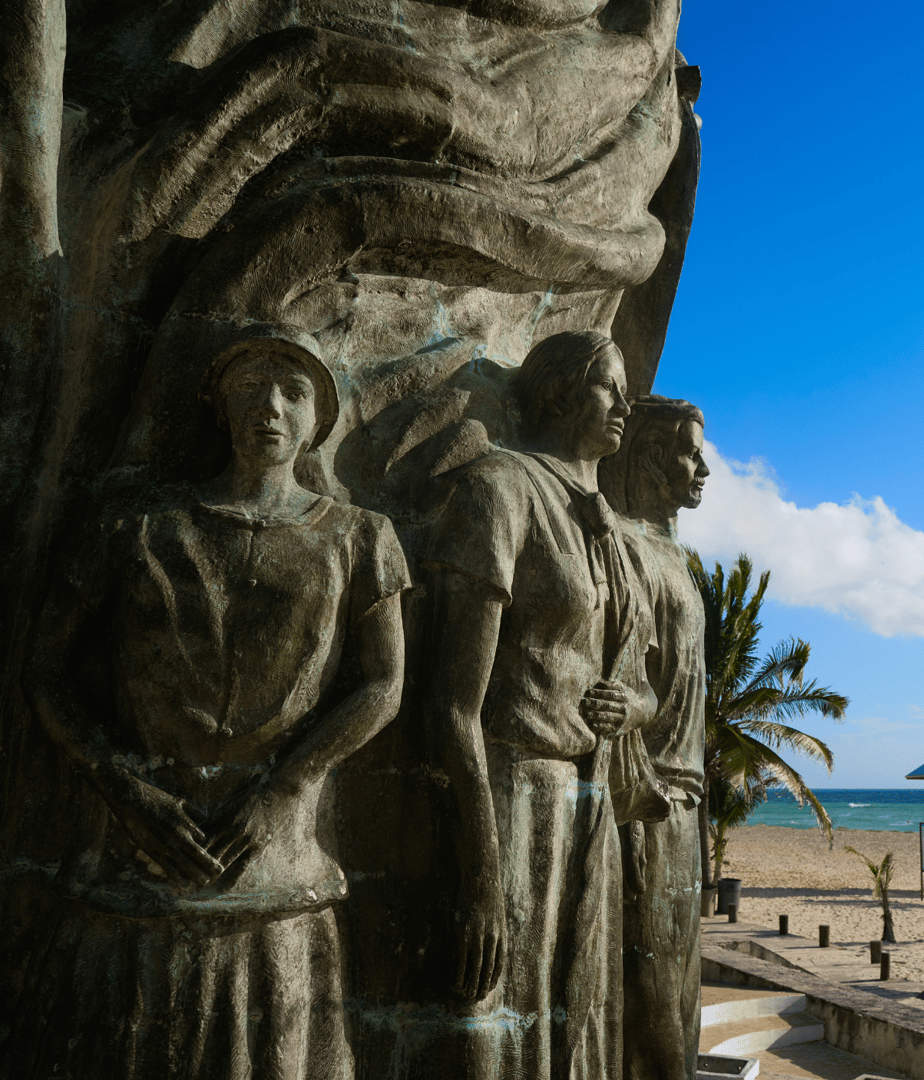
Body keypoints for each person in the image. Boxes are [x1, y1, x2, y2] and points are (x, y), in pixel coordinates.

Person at [13, 330, 410, 1080]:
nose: (269, 407)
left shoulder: (360, 537)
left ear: (318, 419)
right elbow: (45, 670)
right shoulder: (136, 523)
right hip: (134, 867)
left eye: (293, 392)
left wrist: (284, 790)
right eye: (249, 389)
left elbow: (382, 684)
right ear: (217, 407)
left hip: (279, 871)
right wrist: (123, 788)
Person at [424, 330, 654, 1080]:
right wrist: (482, 876)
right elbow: (453, 705)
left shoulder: (617, 535)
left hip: (593, 805)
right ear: (558, 391)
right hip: (515, 795)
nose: (624, 405)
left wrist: (631, 706)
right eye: (608, 386)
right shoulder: (501, 488)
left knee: (582, 1022)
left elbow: (645, 684)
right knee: (502, 1024)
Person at [598, 395, 708, 1080]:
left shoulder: (673, 552)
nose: (704, 469)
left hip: (685, 798)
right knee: (654, 989)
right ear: (650, 455)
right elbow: (618, 673)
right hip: (649, 799)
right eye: (691, 454)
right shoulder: (623, 544)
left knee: (682, 993)